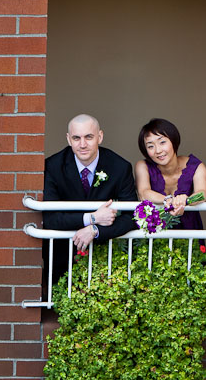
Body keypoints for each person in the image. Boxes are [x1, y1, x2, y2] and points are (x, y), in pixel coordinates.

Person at [41, 114, 138, 294]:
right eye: (76, 138)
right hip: (61, 257)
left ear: (100, 137)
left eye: (89, 137)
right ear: (68, 139)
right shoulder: (52, 166)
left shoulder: (120, 167)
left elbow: (132, 216)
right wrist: (92, 218)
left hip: (105, 258)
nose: (82, 144)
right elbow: (50, 218)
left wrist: (95, 230)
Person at [135, 118, 206, 230]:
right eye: (150, 146)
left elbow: (202, 194)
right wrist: (168, 200)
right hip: (156, 230)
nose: (158, 150)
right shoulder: (142, 166)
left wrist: (185, 201)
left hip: (189, 229)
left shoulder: (196, 166)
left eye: (162, 142)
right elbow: (143, 193)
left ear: (173, 141)